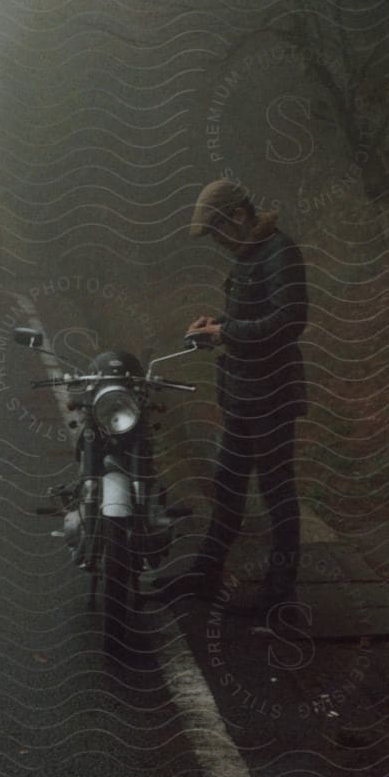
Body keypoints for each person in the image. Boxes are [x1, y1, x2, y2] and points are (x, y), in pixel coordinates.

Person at [155, 178, 309, 610]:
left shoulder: (280, 252)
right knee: (227, 488)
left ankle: (280, 596)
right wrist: (217, 325)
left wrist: (225, 331)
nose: (218, 243)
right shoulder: (250, 253)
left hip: (272, 394)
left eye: (219, 231)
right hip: (243, 392)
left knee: (278, 493)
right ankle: (204, 579)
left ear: (239, 217)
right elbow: (254, 315)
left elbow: (290, 321)